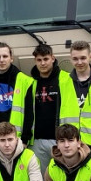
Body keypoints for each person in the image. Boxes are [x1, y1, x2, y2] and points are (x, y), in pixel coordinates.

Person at [29, 43, 63, 173]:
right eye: (39, 60)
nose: (42, 63)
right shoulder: (30, 82)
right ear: (35, 61)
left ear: (53, 58)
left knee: (62, 177)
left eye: (46, 59)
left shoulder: (64, 79)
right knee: (40, 179)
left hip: (59, 139)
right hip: (36, 141)